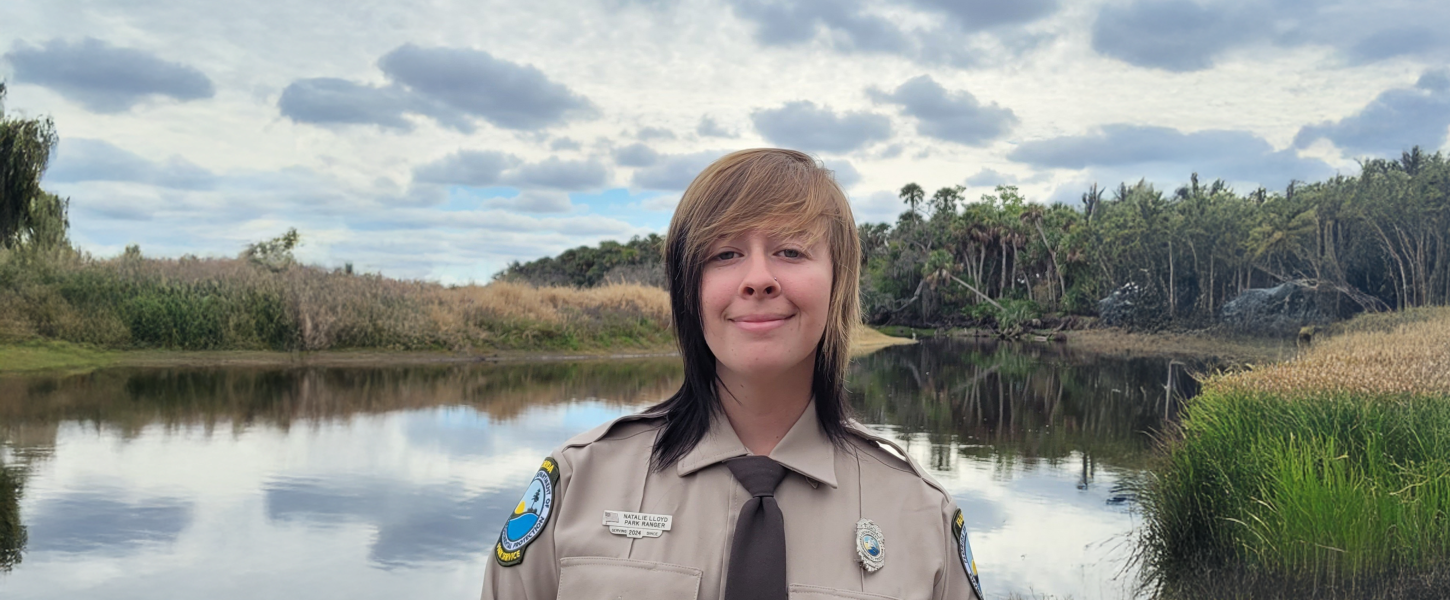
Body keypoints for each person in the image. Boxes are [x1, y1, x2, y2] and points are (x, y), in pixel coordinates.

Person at [481, 149, 984, 600]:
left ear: (837, 284)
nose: (758, 279)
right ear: (687, 290)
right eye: (724, 254)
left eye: (791, 251)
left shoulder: (922, 515)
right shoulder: (579, 481)